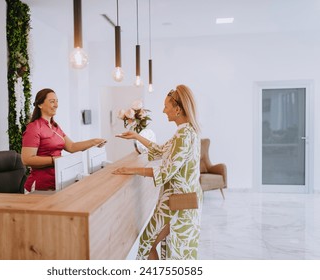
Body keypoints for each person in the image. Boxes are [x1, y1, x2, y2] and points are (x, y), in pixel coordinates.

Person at [112, 84, 202, 260]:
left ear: (177, 109)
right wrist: (137, 136)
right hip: (178, 201)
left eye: (166, 107)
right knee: (153, 243)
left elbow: (166, 171)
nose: (163, 110)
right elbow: (161, 150)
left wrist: (131, 170)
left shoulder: (183, 136)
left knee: (146, 243)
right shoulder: (184, 132)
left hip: (177, 203)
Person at [21, 88, 106, 193]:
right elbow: (27, 159)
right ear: (40, 105)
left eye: (57, 101)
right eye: (52, 101)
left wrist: (93, 142)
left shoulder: (55, 126)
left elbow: (71, 147)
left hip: (58, 182)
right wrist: (55, 160)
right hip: (40, 186)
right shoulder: (34, 128)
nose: (56, 105)